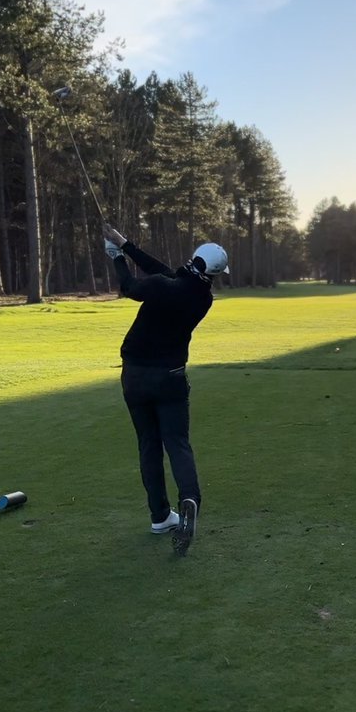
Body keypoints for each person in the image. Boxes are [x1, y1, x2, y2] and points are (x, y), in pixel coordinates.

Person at [103, 222, 229, 555]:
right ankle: (190, 499)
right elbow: (165, 274)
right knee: (177, 443)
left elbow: (130, 286)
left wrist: (116, 257)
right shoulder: (203, 298)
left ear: (194, 259)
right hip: (170, 378)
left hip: (135, 377)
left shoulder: (164, 286)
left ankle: (160, 516)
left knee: (148, 445)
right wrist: (125, 244)